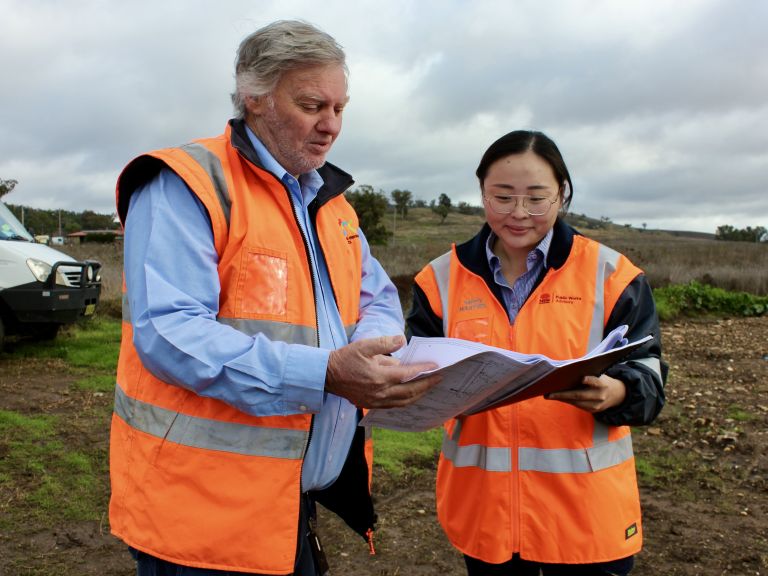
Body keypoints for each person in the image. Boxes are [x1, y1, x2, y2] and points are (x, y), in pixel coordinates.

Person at [109, 20, 439, 576]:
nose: (331, 126)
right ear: (253, 97)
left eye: (340, 108)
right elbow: (170, 333)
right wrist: (328, 373)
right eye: (312, 105)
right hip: (199, 519)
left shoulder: (331, 205)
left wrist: (374, 348)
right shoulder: (187, 184)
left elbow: (376, 292)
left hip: (287, 504)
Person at [407, 130, 667, 575]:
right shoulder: (439, 280)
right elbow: (417, 375)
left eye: (536, 198)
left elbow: (650, 374)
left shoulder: (611, 275)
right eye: (502, 198)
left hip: (586, 518)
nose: (519, 214)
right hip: (486, 516)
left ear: (562, 195)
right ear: (482, 193)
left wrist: (619, 392)